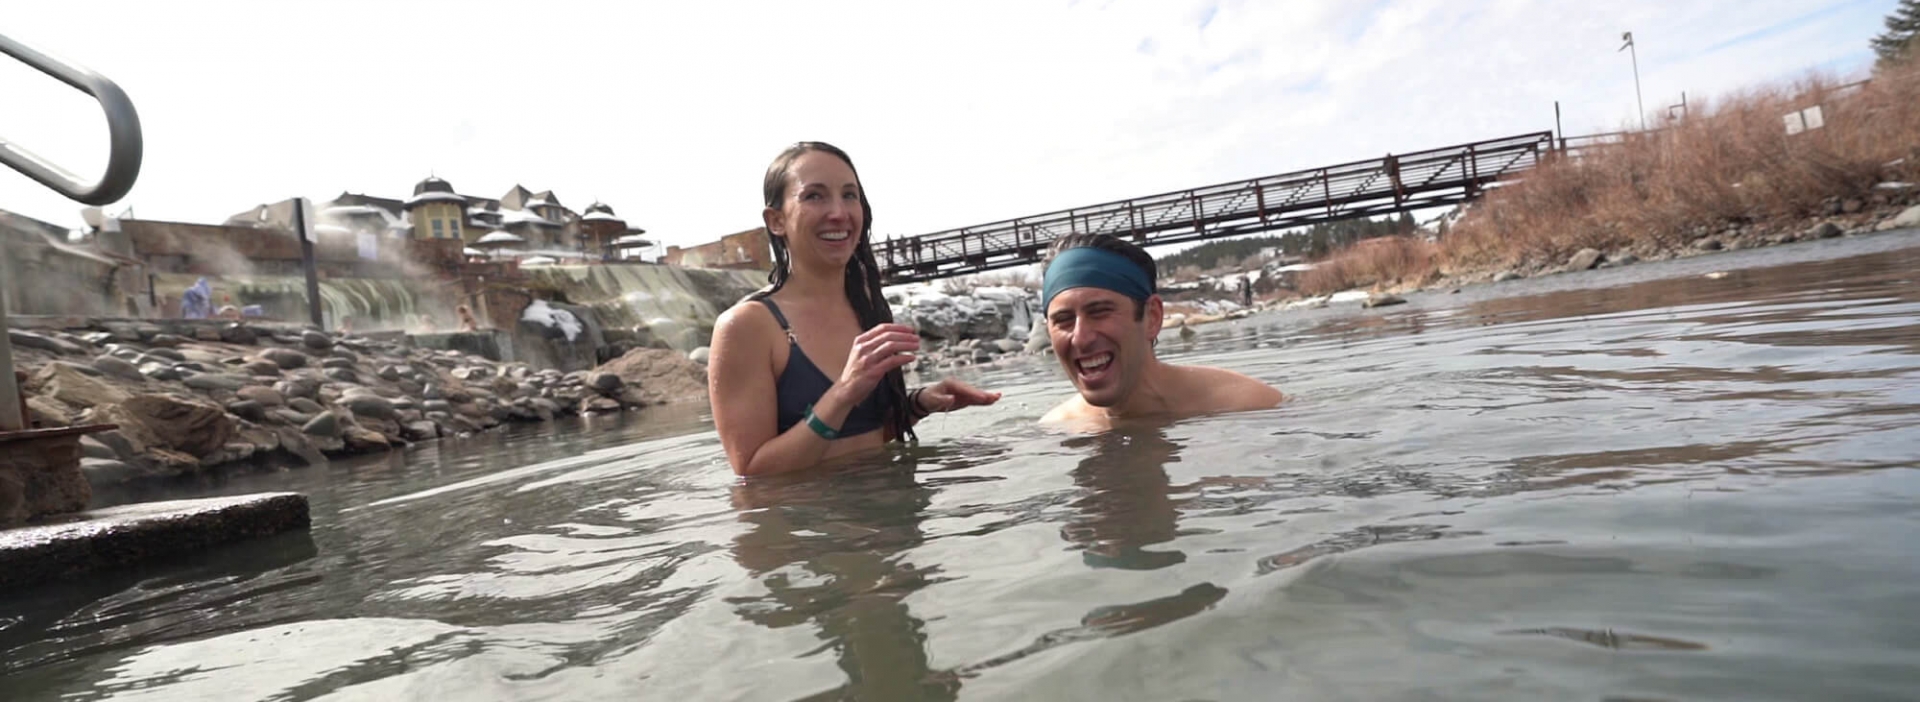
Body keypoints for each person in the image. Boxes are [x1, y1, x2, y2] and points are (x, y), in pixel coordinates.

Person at [708, 142, 1000, 477]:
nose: (839, 212)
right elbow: (753, 474)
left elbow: (863, 438)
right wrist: (844, 392)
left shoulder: (866, 304)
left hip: (894, 515)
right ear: (776, 220)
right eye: (814, 196)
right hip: (810, 527)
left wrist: (919, 404)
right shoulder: (747, 326)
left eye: (849, 195)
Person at [1038, 233, 1282, 430]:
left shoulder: (1250, 407)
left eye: (1100, 311)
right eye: (1064, 320)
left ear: (1152, 317)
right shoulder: (1057, 429)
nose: (1081, 337)